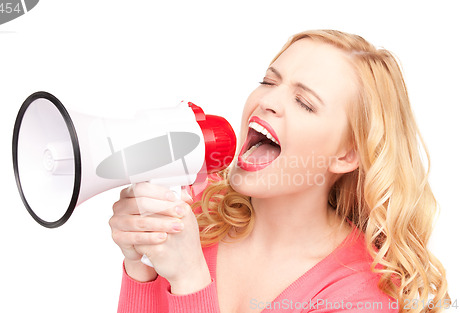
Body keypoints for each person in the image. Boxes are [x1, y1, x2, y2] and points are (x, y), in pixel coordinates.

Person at [109, 29, 450, 313]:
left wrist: (189, 279)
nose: (267, 101)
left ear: (346, 155)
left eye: (305, 103)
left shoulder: (359, 296)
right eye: (269, 82)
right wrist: (141, 270)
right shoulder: (196, 216)